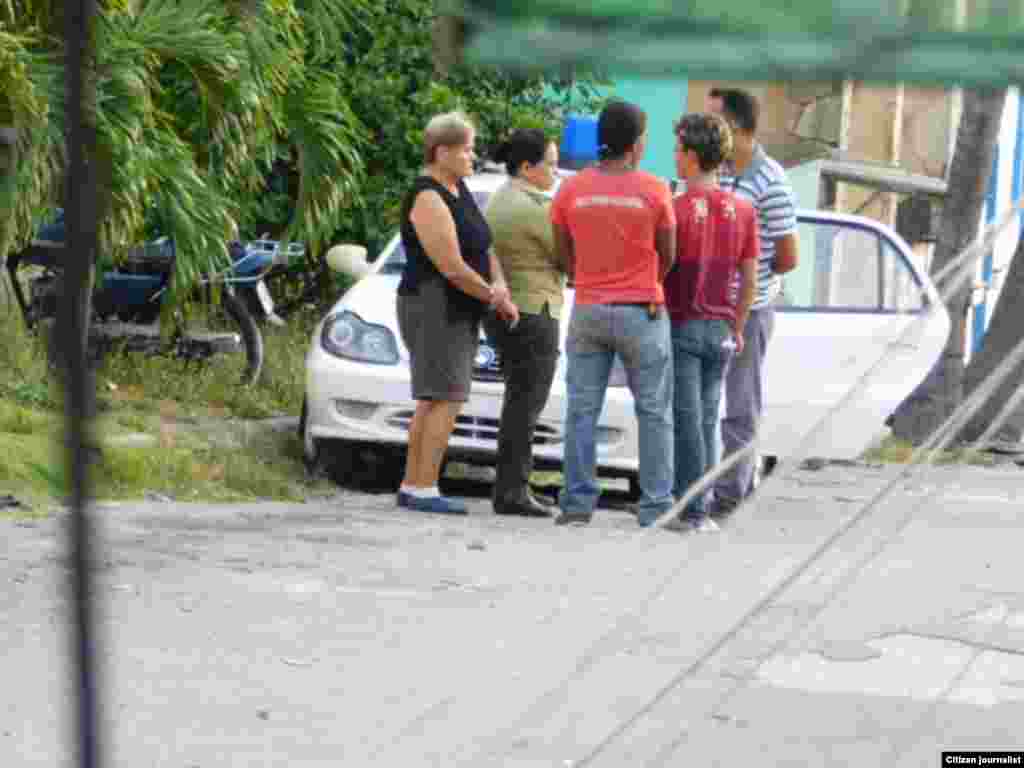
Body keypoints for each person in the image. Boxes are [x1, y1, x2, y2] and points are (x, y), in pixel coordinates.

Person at [550, 100, 677, 528]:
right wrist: (644, 279)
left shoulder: (571, 189)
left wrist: (586, 277)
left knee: (582, 410)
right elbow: (669, 255)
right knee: (654, 411)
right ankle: (657, 505)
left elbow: (562, 251)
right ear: (638, 143)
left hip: (587, 309)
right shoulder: (655, 189)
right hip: (642, 310)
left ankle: (576, 502)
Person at [395, 112, 519, 514]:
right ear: (441, 151)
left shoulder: (458, 188)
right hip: (433, 302)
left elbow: (482, 245)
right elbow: (449, 265)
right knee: (443, 396)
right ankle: (424, 486)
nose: (472, 155)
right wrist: (492, 297)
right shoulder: (428, 194)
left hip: (458, 305)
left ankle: (414, 483)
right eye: (466, 148)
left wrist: (499, 284)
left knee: (436, 396)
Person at [663, 113, 759, 534]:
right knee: (706, 417)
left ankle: (691, 509)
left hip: (682, 322)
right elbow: (750, 277)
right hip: (722, 328)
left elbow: (661, 266)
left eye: (677, 150)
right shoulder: (743, 210)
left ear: (690, 156)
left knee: (686, 418)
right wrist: (737, 327)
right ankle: (700, 506)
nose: (674, 157)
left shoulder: (674, 208)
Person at [705, 88, 799, 518]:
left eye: (714, 120)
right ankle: (694, 493)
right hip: (703, 306)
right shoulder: (712, 170)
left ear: (737, 128)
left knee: (740, 407)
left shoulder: (771, 180)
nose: (707, 128)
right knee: (700, 402)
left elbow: (788, 256)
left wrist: (751, 277)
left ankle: (730, 497)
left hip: (751, 308)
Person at [483, 129, 564, 517]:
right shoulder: (532, 208)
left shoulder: (500, 199)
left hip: (513, 310)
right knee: (525, 405)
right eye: (550, 163)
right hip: (534, 309)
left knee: (519, 401)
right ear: (527, 167)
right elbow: (569, 259)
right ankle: (513, 492)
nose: (555, 171)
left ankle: (515, 485)